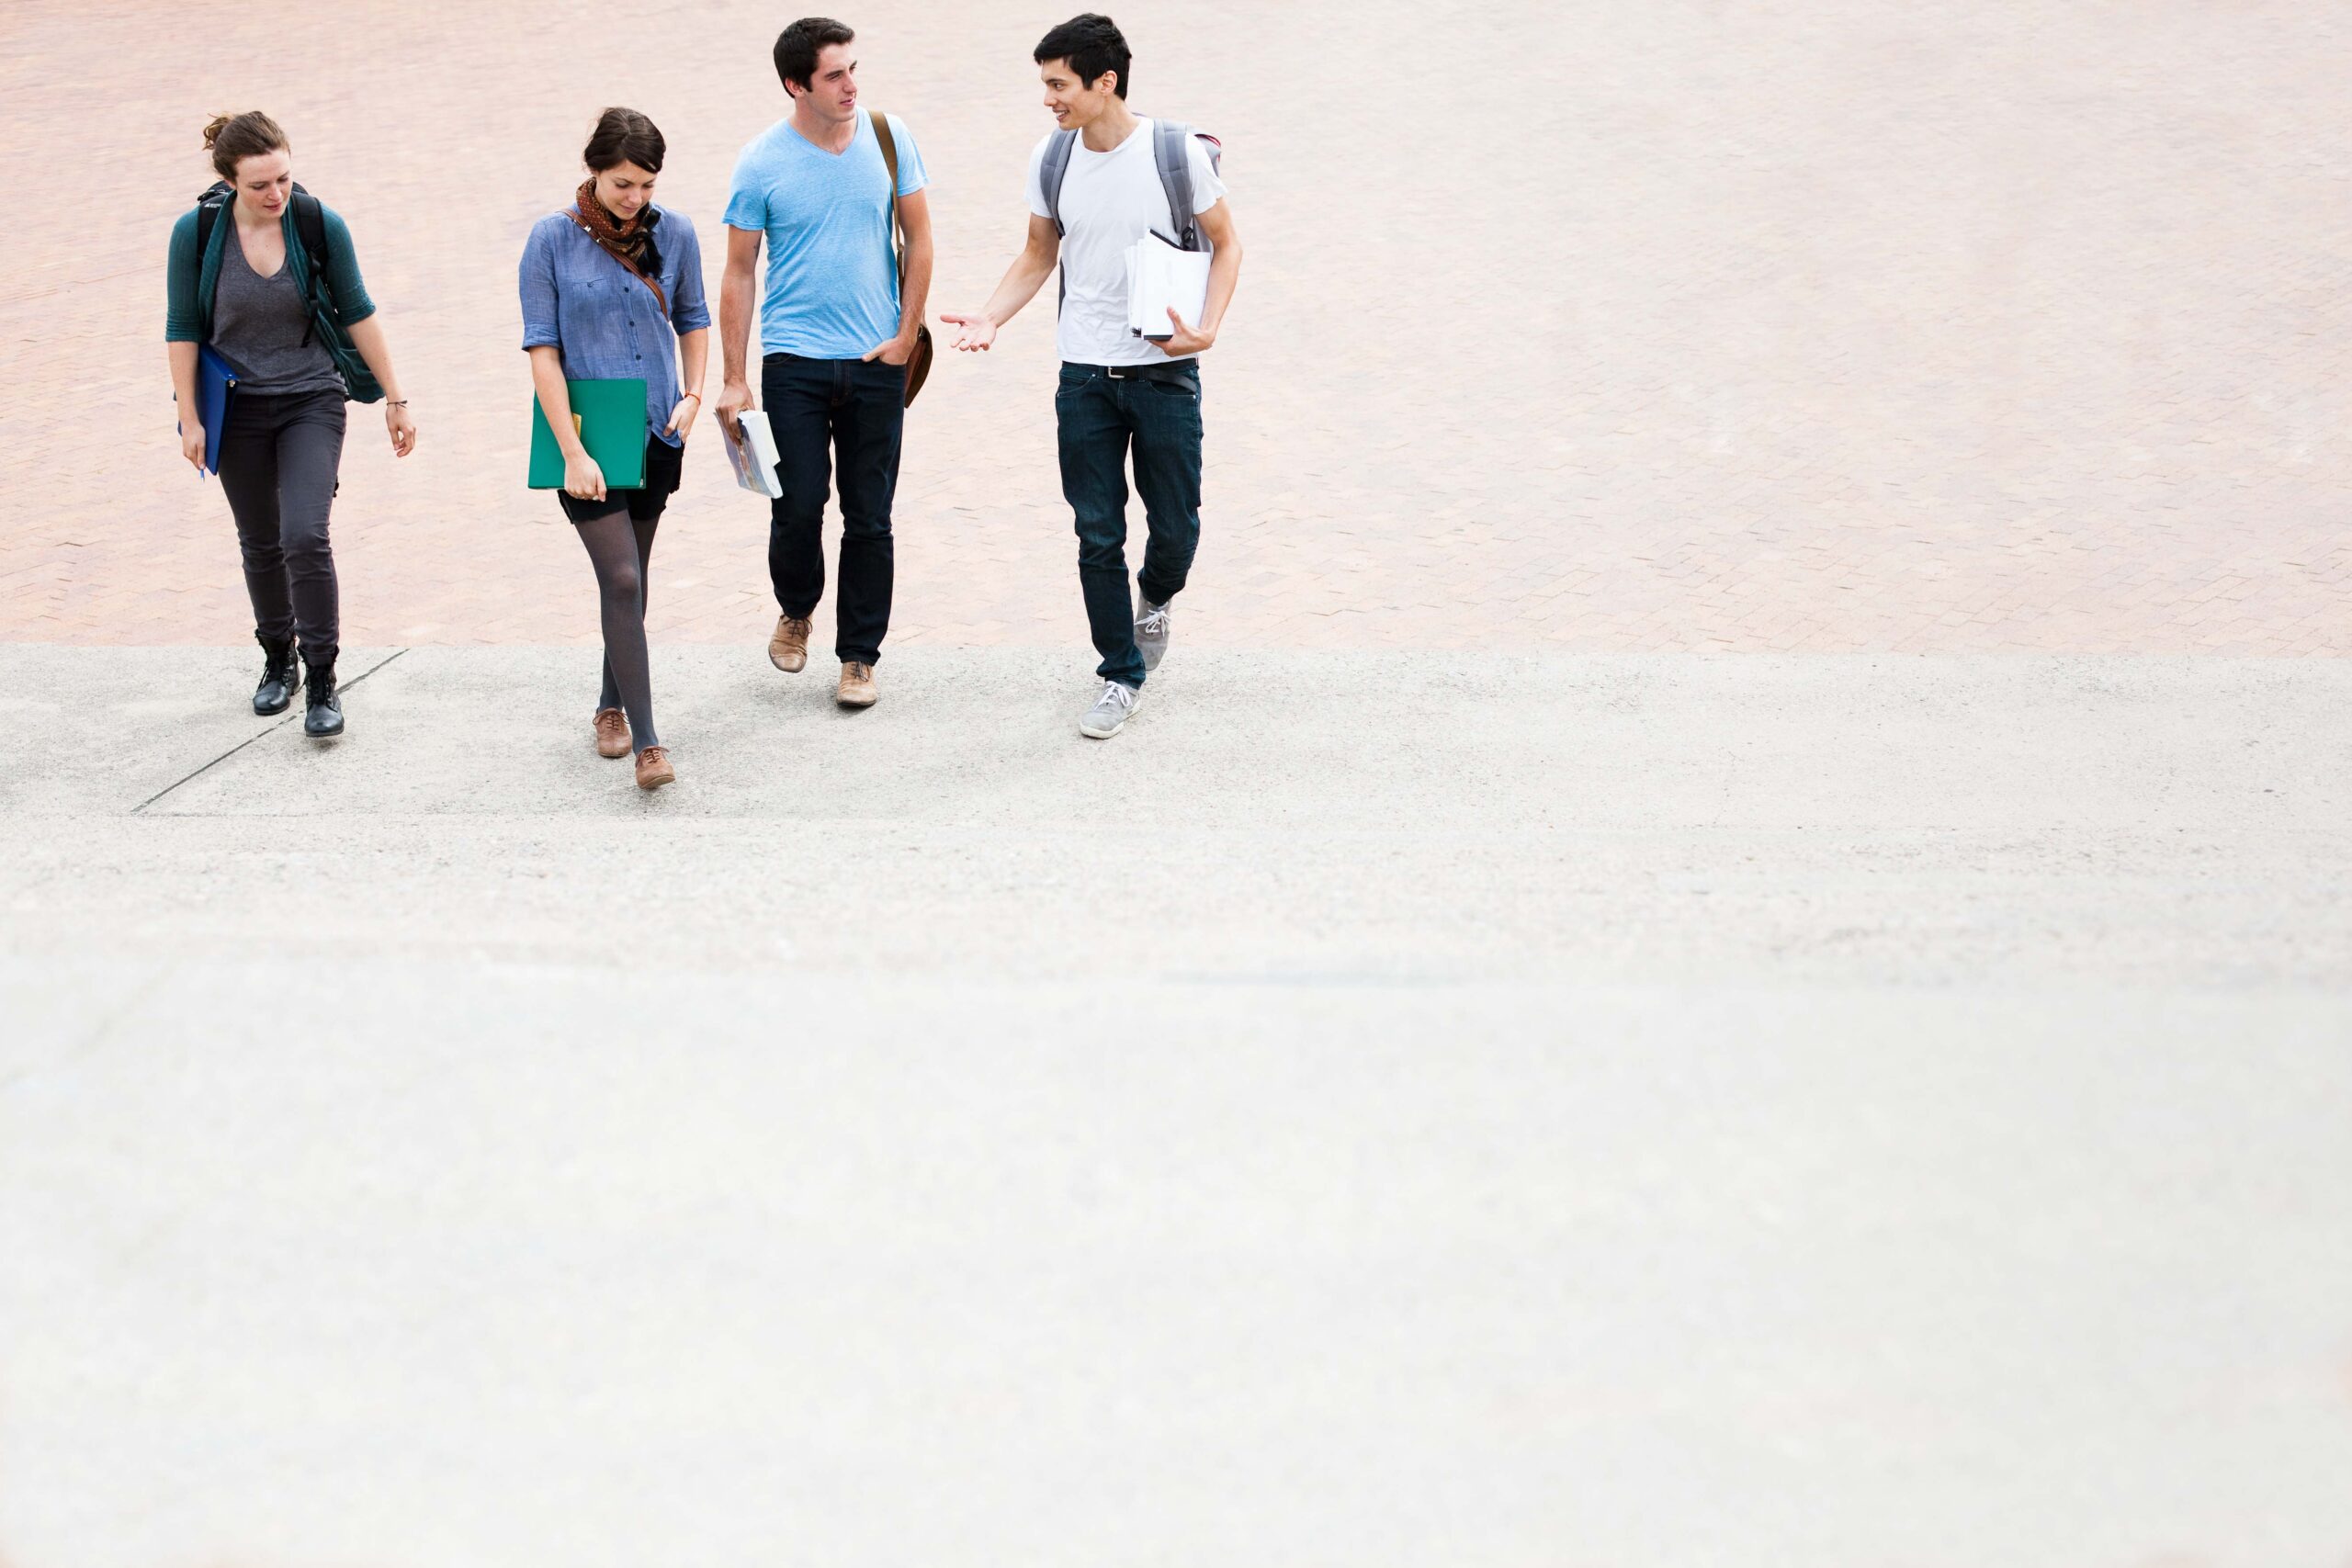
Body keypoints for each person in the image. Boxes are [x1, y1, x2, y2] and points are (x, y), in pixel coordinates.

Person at [941, 14, 1241, 739]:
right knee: (1096, 532)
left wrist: (1208, 327)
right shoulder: (1053, 157)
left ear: (1105, 83)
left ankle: (1158, 595)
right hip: (1084, 376)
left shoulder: (1174, 151)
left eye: (1059, 84)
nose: (1048, 98)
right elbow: (1038, 254)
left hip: (1164, 374)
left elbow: (1228, 244)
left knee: (1174, 527)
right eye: (1045, 84)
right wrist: (991, 318)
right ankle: (1118, 672)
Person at [164, 110, 417, 739]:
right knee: (260, 541)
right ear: (228, 182)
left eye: (283, 178)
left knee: (304, 533)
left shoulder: (315, 223)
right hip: (237, 405)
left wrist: (396, 397)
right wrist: (189, 418)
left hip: (311, 398)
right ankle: (278, 659)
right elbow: (182, 329)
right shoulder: (196, 235)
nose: (275, 194)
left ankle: (323, 676)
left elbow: (358, 310)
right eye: (258, 185)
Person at [716, 15, 933, 710]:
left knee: (871, 515)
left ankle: (859, 656)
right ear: (795, 85)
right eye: (834, 75)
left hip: (876, 360)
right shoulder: (761, 162)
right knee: (798, 502)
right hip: (794, 362)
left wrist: (904, 338)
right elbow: (739, 270)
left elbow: (921, 239)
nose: (850, 85)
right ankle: (796, 606)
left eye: (852, 69)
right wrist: (735, 375)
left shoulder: (888, 138)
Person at [519, 107, 711, 791]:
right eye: (623, 183)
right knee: (623, 578)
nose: (635, 199)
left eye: (647, 187)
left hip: (659, 427)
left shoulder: (677, 233)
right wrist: (572, 451)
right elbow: (542, 351)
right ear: (594, 170)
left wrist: (693, 395)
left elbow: (692, 318)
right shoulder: (550, 240)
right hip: (588, 433)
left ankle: (609, 705)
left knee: (629, 577)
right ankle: (649, 745)